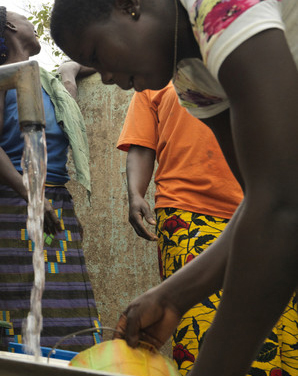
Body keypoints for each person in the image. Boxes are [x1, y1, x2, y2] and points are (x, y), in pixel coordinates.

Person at [49, 0, 298, 375]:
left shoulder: (222, 1)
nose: (105, 78)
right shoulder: (193, 79)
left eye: (98, 55)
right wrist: (173, 296)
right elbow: (260, 202)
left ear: (129, 6)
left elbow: (284, 209)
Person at [116, 82, 298, 373]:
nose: (112, 76)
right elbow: (141, 144)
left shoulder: (236, 59)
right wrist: (135, 194)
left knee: (281, 328)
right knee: (204, 325)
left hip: (269, 213)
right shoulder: (150, 80)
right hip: (189, 212)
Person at [0, 7, 100, 351]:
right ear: (11, 26)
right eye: (24, 17)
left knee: (69, 298)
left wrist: (69, 69)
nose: (32, 24)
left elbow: (94, 65)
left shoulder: (48, 84)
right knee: (18, 295)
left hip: (56, 198)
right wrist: (33, 197)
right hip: (12, 198)